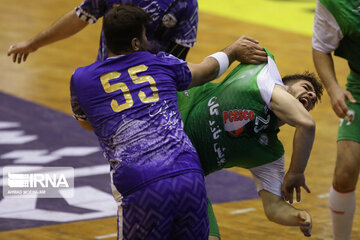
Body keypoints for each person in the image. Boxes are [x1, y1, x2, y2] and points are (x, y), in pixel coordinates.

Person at [70, 5, 267, 240]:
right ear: (135, 43)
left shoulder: (81, 79)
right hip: (189, 177)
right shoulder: (162, 63)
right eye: (144, 35)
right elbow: (206, 71)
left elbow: (87, 124)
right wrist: (233, 51)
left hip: (141, 185)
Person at [177, 50, 323, 239]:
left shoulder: (269, 151)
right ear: (283, 84)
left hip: (184, 175)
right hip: (164, 126)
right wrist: (296, 172)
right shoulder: (262, 70)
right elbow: (307, 123)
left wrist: (298, 216)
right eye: (306, 87)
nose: (310, 95)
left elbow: (274, 208)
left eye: (312, 100)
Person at [7, 0, 199, 62]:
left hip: (151, 94)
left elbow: (177, 62)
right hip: (106, 83)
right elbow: (80, 16)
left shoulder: (184, 4)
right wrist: (34, 44)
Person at [312, 0, 360, 239]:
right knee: (344, 172)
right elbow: (321, 48)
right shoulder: (336, 3)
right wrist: (333, 89)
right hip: (359, 89)